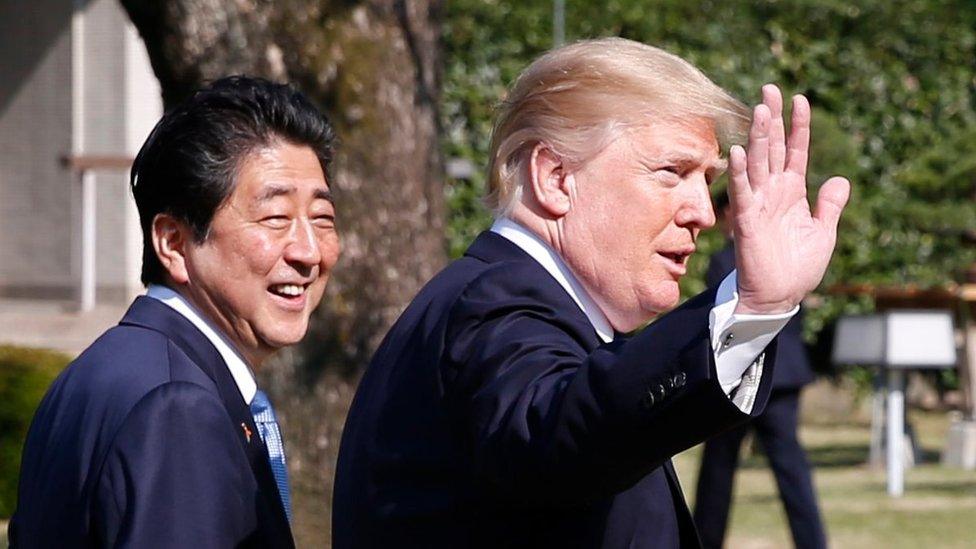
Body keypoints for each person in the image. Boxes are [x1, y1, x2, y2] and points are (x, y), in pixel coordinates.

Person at [332, 37, 849, 548]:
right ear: (555, 177)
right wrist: (753, 307)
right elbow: (556, 432)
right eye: (672, 172)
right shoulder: (495, 303)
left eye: (706, 180)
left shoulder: (513, 301)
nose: (704, 213)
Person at [9, 76, 340, 548]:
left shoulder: (108, 367)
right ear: (173, 242)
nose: (309, 251)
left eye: (322, 219)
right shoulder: (177, 408)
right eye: (275, 218)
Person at [693, 193, 827, 549]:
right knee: (788, 468)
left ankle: (705, 541)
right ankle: (812, 542)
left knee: (719, 471)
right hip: (780, 376)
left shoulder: (726, 259)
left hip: (738, 381)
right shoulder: (784, 254)